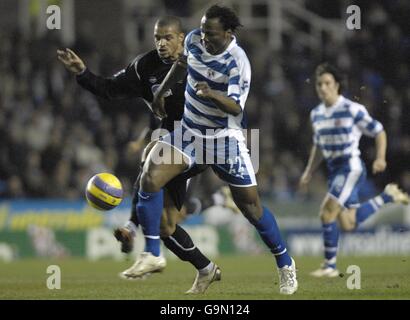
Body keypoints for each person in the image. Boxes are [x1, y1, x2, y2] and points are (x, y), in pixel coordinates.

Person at [132, 5, 298, 295]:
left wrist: (212, 94)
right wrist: (159, 93)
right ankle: (152, 254)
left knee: (251, 208)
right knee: (150, 174)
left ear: (228, 33)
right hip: (189, 133)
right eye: (203, 30)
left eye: (211, 33)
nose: (204, 37)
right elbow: (181, 64)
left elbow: (236, 107)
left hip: (224, 140)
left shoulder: (238, 62)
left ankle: (286, 265)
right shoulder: (195, 39)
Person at [57, 16, 221, 294]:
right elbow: (109, 89)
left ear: (181, 38)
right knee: (165, 224)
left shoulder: (200, 60)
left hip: (205, 140)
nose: (161, 43)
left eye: (167, 37)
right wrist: (82, 73)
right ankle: (206, 269)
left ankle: (147, 247)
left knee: (151, 160)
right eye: (157, 37)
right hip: (174, 141)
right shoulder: (144, 67)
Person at [299, 63, 409, 277]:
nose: (322, 87)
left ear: (337, 85)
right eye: (319, 84)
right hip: (334, 171)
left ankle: (329, 266)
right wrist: (309, 171)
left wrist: (380, 158)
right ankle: (386, 197)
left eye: (327, 83)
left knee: (326, 212)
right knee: (348, 223)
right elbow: (318, 146)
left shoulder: (351, 109)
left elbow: (379, 131)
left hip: (350, 168)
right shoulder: (316, 114)